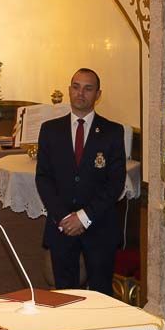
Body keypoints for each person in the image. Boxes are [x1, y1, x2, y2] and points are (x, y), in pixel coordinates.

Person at [35, 68, 126, 294]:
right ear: (69, 90)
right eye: (76, 87)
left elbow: (115, 184)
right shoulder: (50, 130)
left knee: (101, 295)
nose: (80, 93)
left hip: (99, 227)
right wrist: (66, 217)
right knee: (65, 296)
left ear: (98, 94)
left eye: (88, 88)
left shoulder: (112, 132)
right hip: (62, 227)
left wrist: (83, 218)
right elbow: (44, 178)